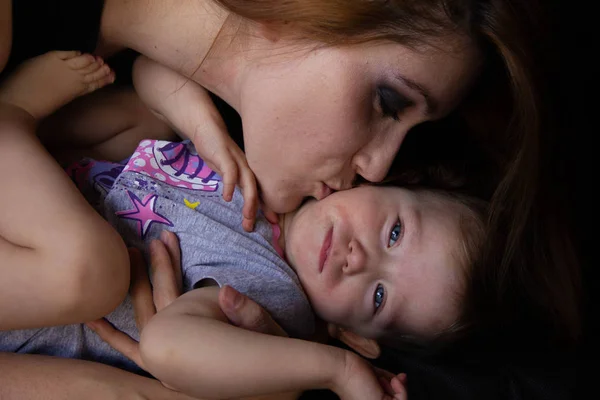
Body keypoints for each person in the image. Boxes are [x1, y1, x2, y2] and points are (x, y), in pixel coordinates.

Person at [1, 138, 487, 400]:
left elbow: (169, 346)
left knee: (95, 267)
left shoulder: (276, 296)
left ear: (356, 337)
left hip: (30, 299)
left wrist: (337, 371)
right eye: (395, 233)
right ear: (386, 182)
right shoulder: (274, 164)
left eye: (379, 296)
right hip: (40, 204)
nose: (357, 259)